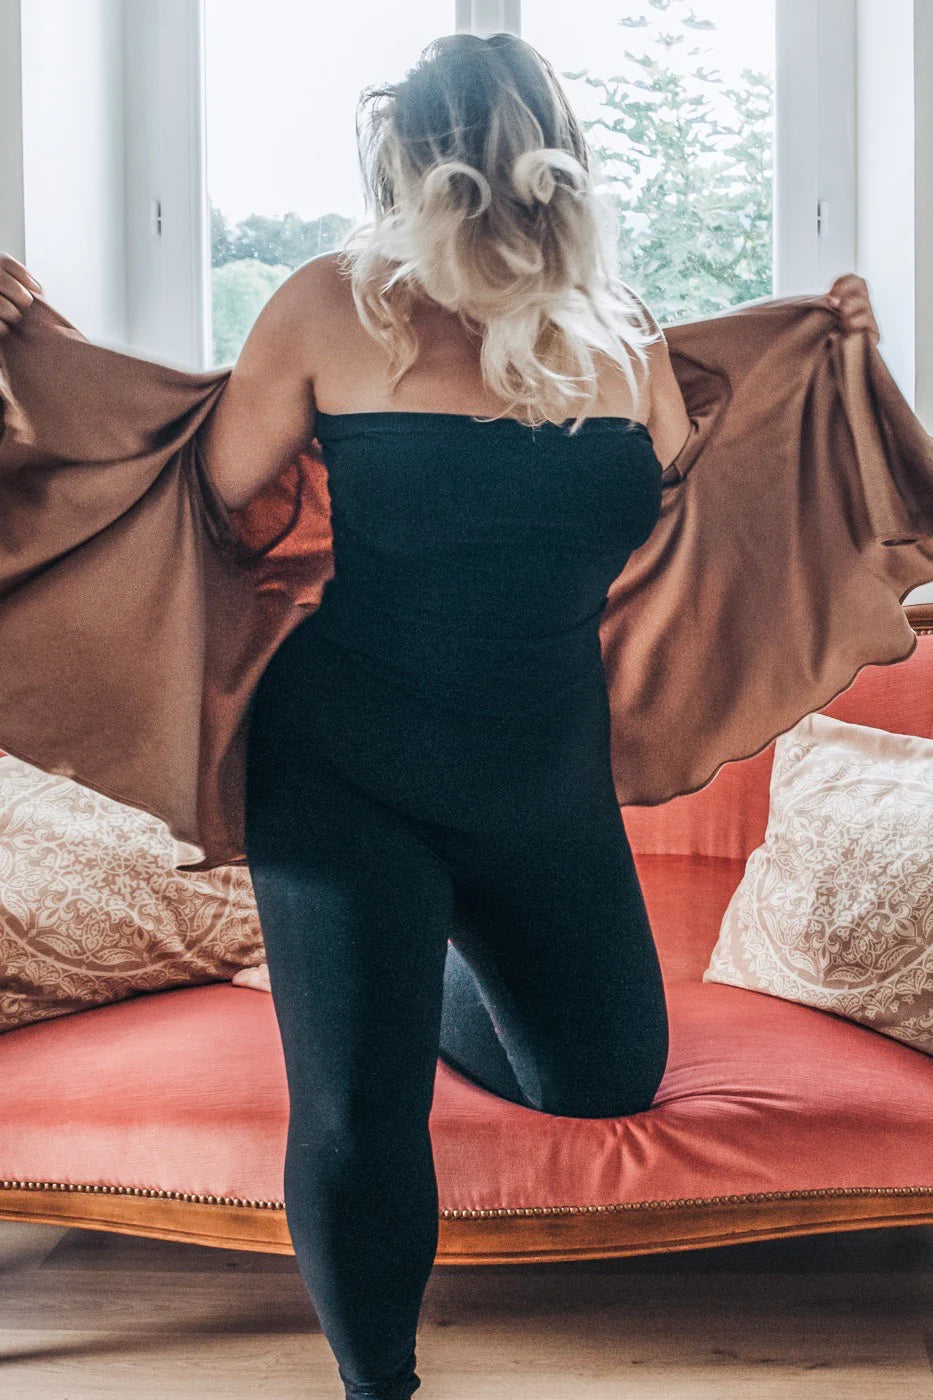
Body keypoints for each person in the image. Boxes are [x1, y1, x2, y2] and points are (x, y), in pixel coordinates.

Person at [0, 30, 879, 1400]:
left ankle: (395, 977)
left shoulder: (625, 331)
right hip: (346, 771)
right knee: (360, 1114)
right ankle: (380, 1385)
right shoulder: (329, 306)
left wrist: (820, 356)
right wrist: (42, 359)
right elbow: (206, 497)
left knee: (602, 1078)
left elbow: (707, 492)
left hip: (542, 784)